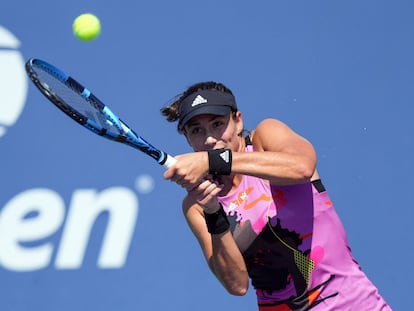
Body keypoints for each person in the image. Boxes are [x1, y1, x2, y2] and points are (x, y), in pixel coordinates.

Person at [161, 81, 391, 310]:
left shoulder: (266, 138)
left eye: (217, 124)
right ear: (187, 139)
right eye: (196, 130)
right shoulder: (196, 205)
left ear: (238, 121)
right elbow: (236, 285)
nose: (209, 138)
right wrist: (213, 213)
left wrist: (213, 160)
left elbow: (302, 168)